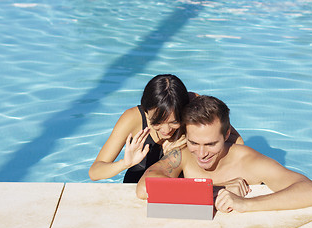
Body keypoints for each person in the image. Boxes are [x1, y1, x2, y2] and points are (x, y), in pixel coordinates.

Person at [136, 95, 312, 213]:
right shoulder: (183, 154)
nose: (201, 153)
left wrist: (245, 204)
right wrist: (217, 190)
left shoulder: (248, 161)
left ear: (227, 135)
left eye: (211, 144)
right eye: (194, 142)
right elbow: (144, 189)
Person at [89, 74, 243, 183]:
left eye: (174, 122)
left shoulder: (193, 105)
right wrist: (125, 163)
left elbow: (238, 142)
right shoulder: (132, 118)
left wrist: (183, 144)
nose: (166, 130)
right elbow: (95, 171)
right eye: (156, 122)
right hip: (139, 187)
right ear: (146, 110)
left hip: (183, 187)